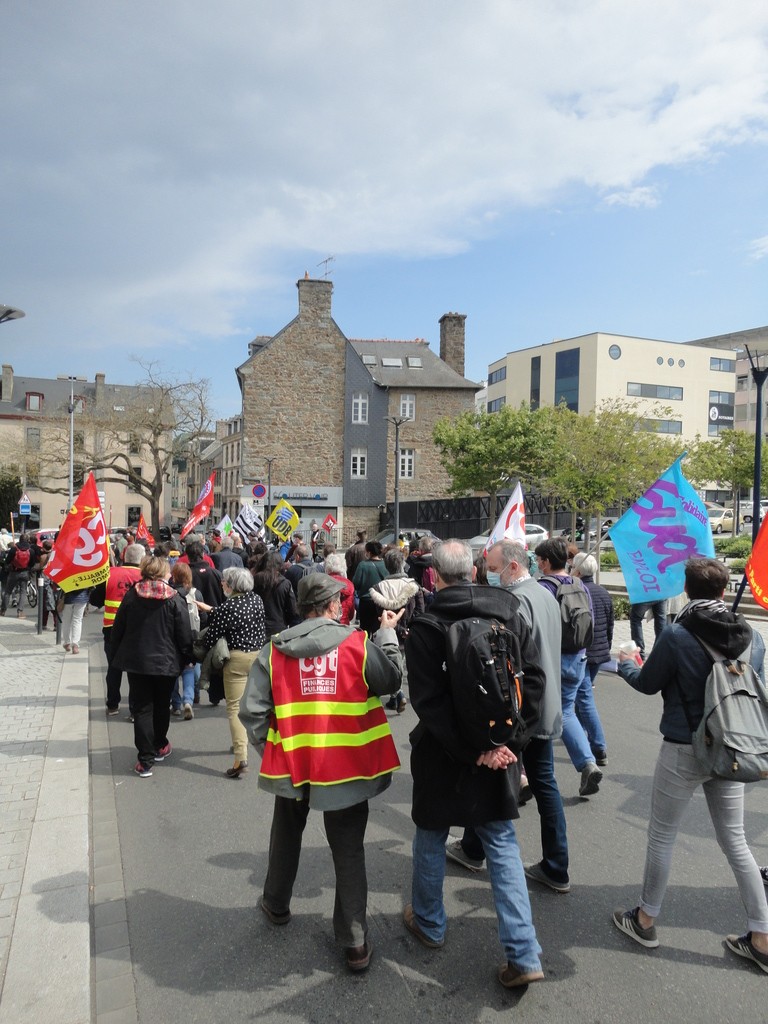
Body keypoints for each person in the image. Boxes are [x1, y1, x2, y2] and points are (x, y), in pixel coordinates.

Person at [239, 573, 404, 973]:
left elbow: (252, 711)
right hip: (346, 768)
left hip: (295, 764)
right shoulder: (358, 645)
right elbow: (392, 681)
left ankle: (276, 905)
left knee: (285, 836)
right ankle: (354, 943)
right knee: (348, 851)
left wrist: (275, 750)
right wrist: (388, 638)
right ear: (333, 606)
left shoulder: (275, 650)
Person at [613, 557, 768, 973]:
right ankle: (762, 937)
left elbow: (648, 685)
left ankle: (645, 920)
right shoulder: (753, 637)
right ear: (723, 590)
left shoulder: (678, 635)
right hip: (733, 748)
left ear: (687, 588)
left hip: (685, 746)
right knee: (736, 841)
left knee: (662, 835)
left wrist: (627, 664)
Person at [404, 540, 546, 990]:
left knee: (430, 834)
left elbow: (429, 702)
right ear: (475, 570)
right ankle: (524, 953)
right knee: (502, 845)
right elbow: (535, 683)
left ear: (436, 575)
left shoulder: (427, 624)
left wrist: (471, 750)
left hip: (445, 752)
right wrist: (509, 743)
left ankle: (429, 921)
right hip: (498, 749)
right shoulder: (508, 612)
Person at [447, 539, 570, 894]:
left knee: (495, 777)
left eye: (494, 565)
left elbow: (506, 663)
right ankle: (555, 863)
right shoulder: (546, 593)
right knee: (543, 783)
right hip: (544, 704)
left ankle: (475, 849)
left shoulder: (517, 602)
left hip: (523, 709)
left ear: (514, 566)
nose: (490, 572)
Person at [110, 555, 193, 777]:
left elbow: (119, 628)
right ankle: (159, 745)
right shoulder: (174, 598)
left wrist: (115, 654)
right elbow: (183, 634)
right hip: (166, 663)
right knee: (161, 705)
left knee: (142, 709)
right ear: (164, 573)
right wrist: (187, 657)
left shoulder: (131, 596)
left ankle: (145, 760)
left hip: (137, 662)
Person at [535, 537, 602, 798]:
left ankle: (537, 775)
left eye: (540, 560)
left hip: (552, 659)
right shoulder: (579, 585)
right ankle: (587, 763)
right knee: (566, 712)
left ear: (548, 562)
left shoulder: (544, 588)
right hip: (578, 658)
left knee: (539, 717)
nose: (538, 564)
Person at [202, 566, 267, 778]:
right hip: (258, 656)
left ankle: (241, 757)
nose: (222, 585)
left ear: (231, 585)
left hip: (237, 659)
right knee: (257, 706)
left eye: (224, 582)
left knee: (234, 708)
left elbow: (211, 637)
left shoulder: (229, 606)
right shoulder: (256, 599)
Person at [89, 543, 144, 716]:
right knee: (135, 672)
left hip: (111, 629)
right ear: (141, 559)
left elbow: (95, 601)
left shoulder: (109, 574)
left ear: (124, 557)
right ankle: (135, 710)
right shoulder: (145, 576)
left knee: (114, 669)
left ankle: (112, 704)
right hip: (137, 630)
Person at [570, 551, 611, 766]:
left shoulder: (578, 591)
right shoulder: (603, 592)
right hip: (599, 653)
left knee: (584, 699)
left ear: (577, 570)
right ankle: (579, 731)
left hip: (583, 653)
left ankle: (598, 746)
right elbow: (610, 626)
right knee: (580, 695)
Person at [370, 547, 422, 714]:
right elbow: (420, 611)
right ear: (403, 564)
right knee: (401, 659)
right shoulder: (413, 586)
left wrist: (395, 627)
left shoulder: (378, 588)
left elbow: (380, 615)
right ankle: (397, 694)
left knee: (391, 661)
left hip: (388, 631)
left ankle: (396, 695)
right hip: (409, 632)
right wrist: (407, 629)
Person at [168, 561, 206, 719]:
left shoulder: (169, 593)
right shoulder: (196, 593)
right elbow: (203, 617)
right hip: (192, 635)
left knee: (173, 672)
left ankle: (176, 704)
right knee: (190, 669)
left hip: (173, 636)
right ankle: (189, 699)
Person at [251, 549, 299, 637]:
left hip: (257, 626)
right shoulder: (285, 583)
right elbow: (292, 609)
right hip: (278, 626)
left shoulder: (254, 580)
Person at [352, 541, 389, 635]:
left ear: (368, 552)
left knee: (365, 630)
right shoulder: (385, 564)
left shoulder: (363, 565)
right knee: (379, 628)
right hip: (381, 601)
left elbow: (356, 583)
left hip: (366, 601)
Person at [0, 533, 37, 618]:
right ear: (27, 540)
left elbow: (8, 561)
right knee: (23, 592)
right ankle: (20, 612)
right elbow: (32, 563)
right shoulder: (30, 550)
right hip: (25, 573)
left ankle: (3, 610)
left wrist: (8, 566)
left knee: (8, 591)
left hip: (14, 572)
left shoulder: (14, 549)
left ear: (19, 539)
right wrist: (28, 568)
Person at [324, 551, 355, 624]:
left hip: (327, 624)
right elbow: (351, 613)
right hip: (344, 624)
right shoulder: (349, 584)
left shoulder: (323, 582)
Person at [61, 585, 90, 655]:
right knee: (77, 621)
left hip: (68, 598)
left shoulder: (66, 573)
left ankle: (67, 643)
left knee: (66, 621)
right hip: (82, 598)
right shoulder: (84, 573)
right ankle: (75, 645)